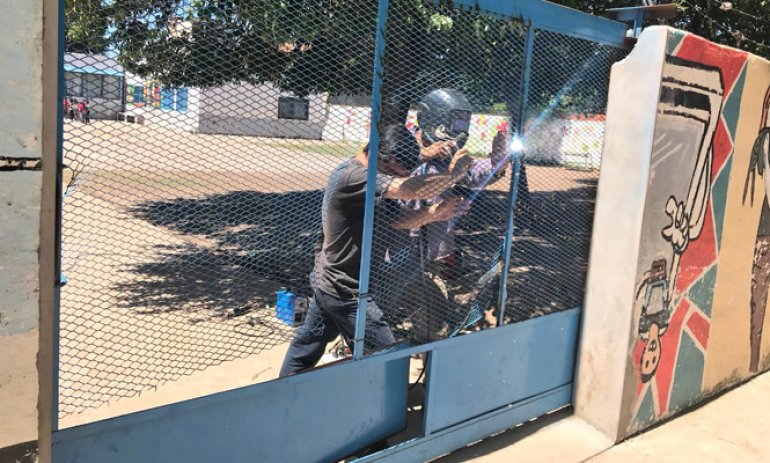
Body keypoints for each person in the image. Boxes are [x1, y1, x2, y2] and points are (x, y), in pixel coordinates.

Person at [279, 124, 473, 376]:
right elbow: (408, 188)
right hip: (344, 287)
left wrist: (435, 214)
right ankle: (380, 407)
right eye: (394, 171)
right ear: (380, 158)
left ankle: (281, 391)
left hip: (331, 280)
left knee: (307, 345)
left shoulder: (373, 173)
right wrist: (453, 174)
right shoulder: (353, 176)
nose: (397, 176)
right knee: (384, 354)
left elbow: (398, 219)